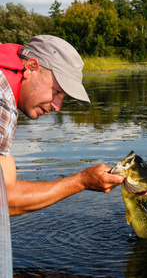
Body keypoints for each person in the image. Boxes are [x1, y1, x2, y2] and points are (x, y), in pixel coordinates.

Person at [0, 35, 124, 216]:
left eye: (63, 97)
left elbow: (7, 185)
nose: (57, 107)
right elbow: (5, 200)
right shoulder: (3, 99)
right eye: (56, 91)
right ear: (31, 66)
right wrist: (82, 181)